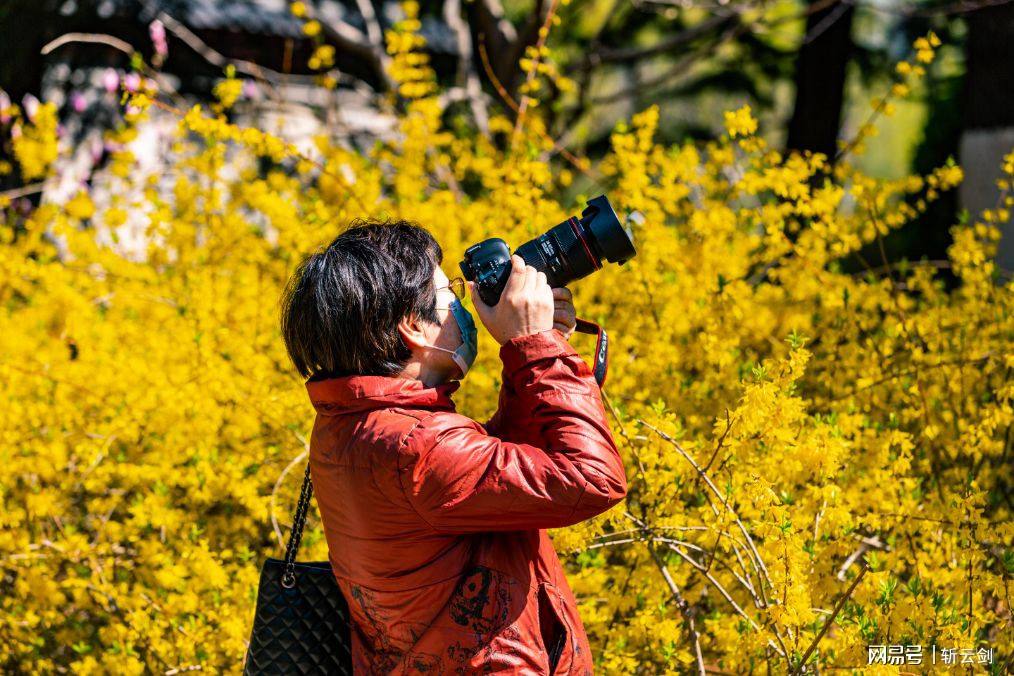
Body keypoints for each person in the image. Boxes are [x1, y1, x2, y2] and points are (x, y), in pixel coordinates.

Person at [280, 217, 628, 675]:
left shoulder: (354, 423)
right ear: (413, 327)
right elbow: (592, 478)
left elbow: (496, 475)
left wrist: (540, 354)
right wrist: (537, 348)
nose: (465, 308)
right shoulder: (414, 446)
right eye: (452, 296)